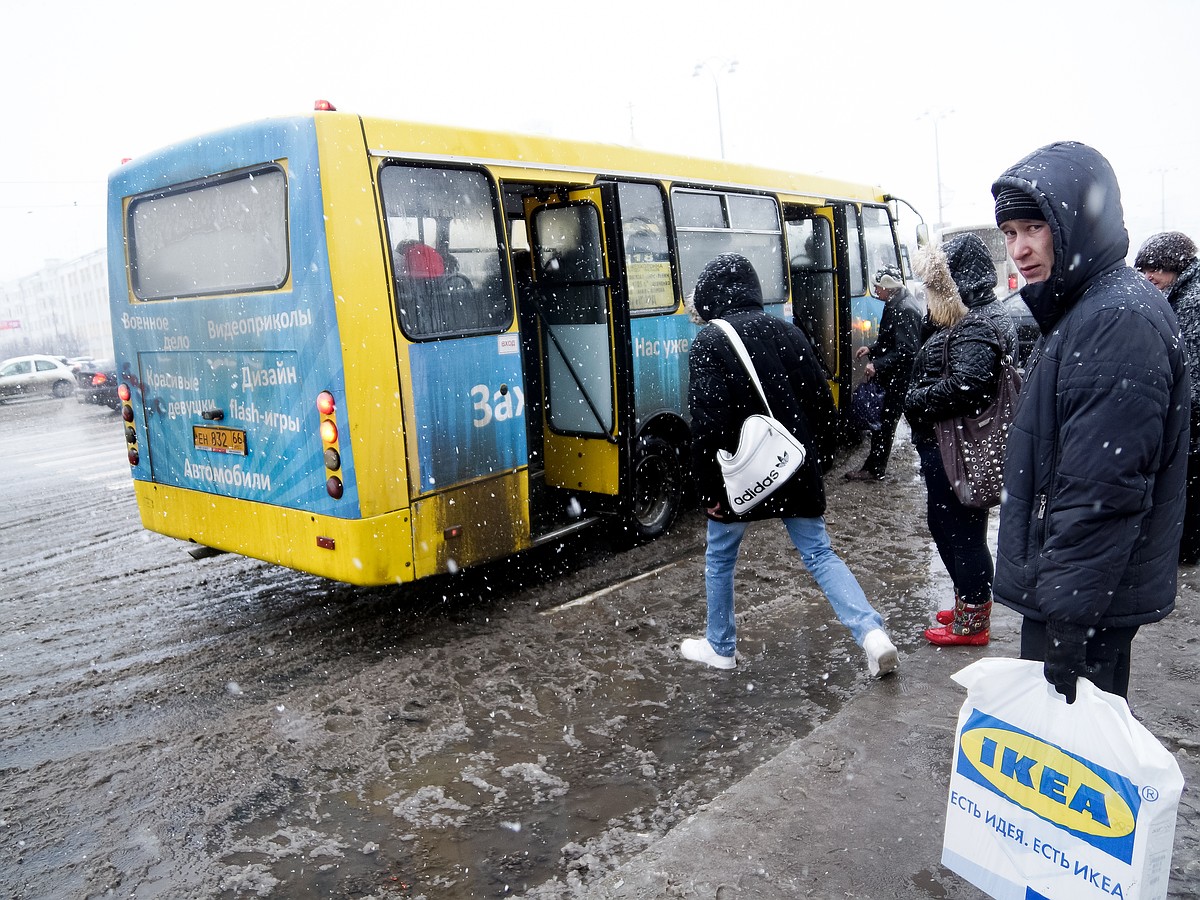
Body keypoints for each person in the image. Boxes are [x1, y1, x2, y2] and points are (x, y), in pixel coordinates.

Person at [992, 142, 1188, 703]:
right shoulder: (1095, 305)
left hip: (1083, 601)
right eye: (1009, 233)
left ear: (1077, 224)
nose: (1020, 250)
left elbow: (1101, 489)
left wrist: (1068, 623)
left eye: (1034, 228)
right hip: (1084, 592)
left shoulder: (1113, 320)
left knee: (1069, 764)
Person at [680, 253, 899, 677]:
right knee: (819, 553)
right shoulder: (789, 331)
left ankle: (720, 646)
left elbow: (708, 425)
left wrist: (709, 492)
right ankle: (873, 635)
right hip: (792, 465)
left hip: (741, 476)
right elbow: (822, 405)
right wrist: (813, 459)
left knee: (721, 557)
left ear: (709, 296)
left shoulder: (710, 340)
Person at [903, 234, 1017, 647]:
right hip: (951, 445)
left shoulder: (977, 323)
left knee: (960, 531)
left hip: (957, 447)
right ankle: (970, 601)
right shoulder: (971, 316)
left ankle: (972, 621)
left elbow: (968, 387)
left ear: (955, 284)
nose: (929, 298)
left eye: (936, 287)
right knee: (949, 525)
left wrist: (915, 400)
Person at [1135, 231, 1200, 564]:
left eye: (1158, 268)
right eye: (1145, 268)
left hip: (1192, 417)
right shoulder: (1178, 297)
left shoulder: (1191, 301)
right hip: (1187, 414)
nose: (1150, 276)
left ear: (1179, 267)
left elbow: (1189, 370)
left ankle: (1186, 552)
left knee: (1188, 487)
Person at [845, 265, 923, 482]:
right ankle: (874, 466)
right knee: (884, 423)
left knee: (885, 424)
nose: (875, 291)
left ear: (889, 286)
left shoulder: (903, 309)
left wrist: (877, 364)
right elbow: (891, 341)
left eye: (878, 287)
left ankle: (874, 469)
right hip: (895, 377)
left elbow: (906, 352)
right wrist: (872, 348)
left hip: (898, 379)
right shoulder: (897, 302)